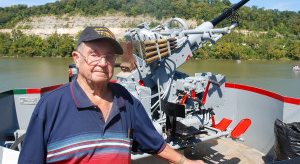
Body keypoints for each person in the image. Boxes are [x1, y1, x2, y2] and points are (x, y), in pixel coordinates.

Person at [18, 27, 205, 164]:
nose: (102, 62)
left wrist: (185, 162)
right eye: (94, 54)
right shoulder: (51, 106)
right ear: (76, 58)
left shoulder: (126, 100)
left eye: (109, 57)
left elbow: (154, 143)